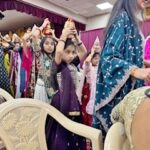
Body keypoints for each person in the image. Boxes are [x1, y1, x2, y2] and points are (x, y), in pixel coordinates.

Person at [93, 0, 150, 137]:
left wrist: (144, 63)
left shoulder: (132, 22)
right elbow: (108, 58)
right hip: (118, 98)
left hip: (129, 95)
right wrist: (135, 70)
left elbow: (128, 55)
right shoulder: (122, 18)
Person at [46, 20, 87, 150]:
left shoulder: (72, 63)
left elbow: (84, 52)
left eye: (73, 52)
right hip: (59, 103)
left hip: (73, 102)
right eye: (67, 52)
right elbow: (58, 52)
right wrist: (63, 36)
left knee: (74, 132)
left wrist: (76, 36)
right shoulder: (58, 64)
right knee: (60, 132)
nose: (71, 55)